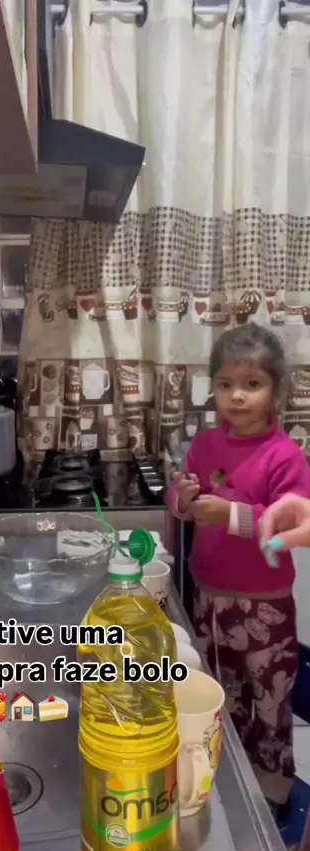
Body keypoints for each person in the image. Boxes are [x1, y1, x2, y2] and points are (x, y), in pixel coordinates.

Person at [166, 323, 310, 812]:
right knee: (214, 692)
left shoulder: (284, 456)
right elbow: (180, 499)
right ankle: (221, 778)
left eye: (252, 384)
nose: (238, 396)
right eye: (226, 384)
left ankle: (271, 792)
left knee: (267, 700)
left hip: (264, 607)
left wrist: (229, 514)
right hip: (208, 597)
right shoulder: (206, 444)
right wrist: (184, 499)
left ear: (276, 389)